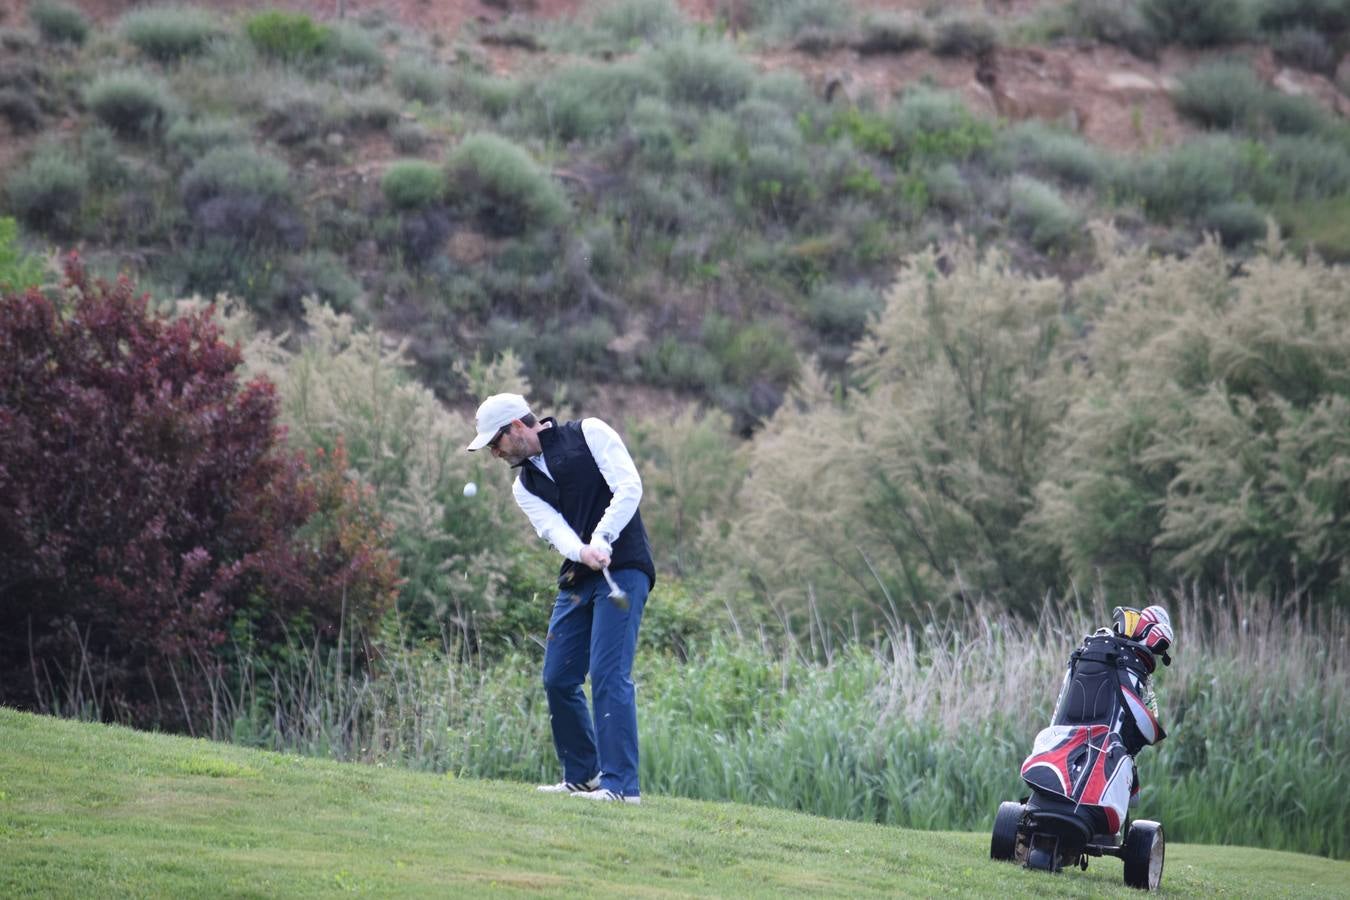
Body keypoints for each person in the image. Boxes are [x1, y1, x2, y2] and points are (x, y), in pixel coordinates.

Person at [466, 392, 654, 805]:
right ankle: (582, 776)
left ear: (517, 427)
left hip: (624, 568)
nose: (494, 453)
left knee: (607, 674)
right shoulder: (524, 486)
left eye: (495, 442)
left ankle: (621, 786)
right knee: (558, 677)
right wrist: (585, 550)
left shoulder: (590, 433)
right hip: (578, 574)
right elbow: (554, 531)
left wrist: (603, 537)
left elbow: (629, 486)